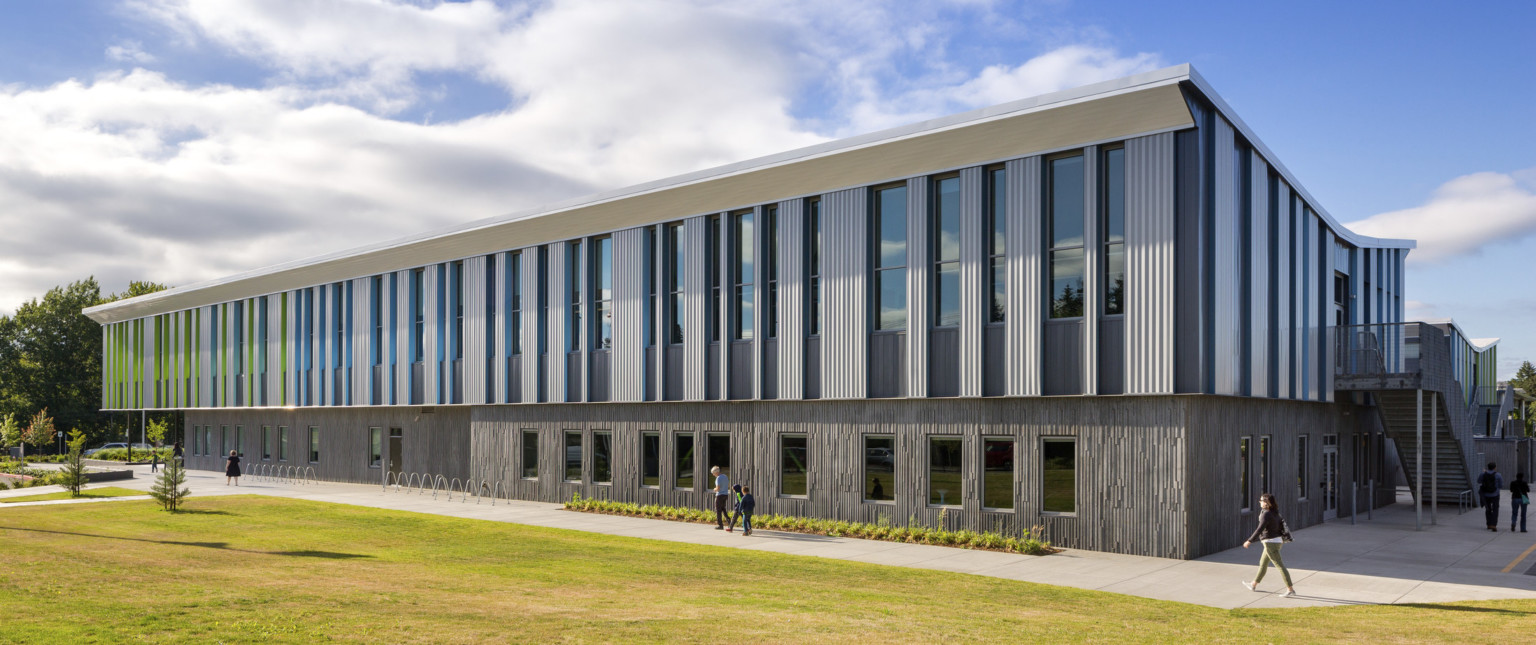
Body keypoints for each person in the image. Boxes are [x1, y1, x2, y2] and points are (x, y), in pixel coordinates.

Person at [1242, 493, 1296, 598]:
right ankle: (1253, 584)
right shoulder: (1274, 513)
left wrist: (1249, 540)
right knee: (1263, 563)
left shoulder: (1266, 514)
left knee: (1280, 566)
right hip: (1276, 542)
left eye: (1261, 500)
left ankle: (1290, 590)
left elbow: (1259, 529)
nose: (1260, 502)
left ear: (1267, 503)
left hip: (1271, 543)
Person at [1479, 462, 1503, 532]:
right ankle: (1494, 524)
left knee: (1488, 509)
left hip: (1486, 494)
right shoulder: (1498, 475)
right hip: (1495, 494)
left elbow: (1479, 481)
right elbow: (1501, 485)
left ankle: (1489, 524)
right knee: (1495, 509)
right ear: (1495, 468)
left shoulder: (1483, 474)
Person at [709, 465, 731, 531]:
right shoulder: (725, 476)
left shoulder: (718, 478)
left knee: (718, 510)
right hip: (725, 495)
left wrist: (714, 489)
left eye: (713, 473)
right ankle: (729, 521)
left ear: (716, 472)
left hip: (719, 495)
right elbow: (727, 485)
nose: (713, 475)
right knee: (723, 508)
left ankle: (720, 525)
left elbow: (718, 488)